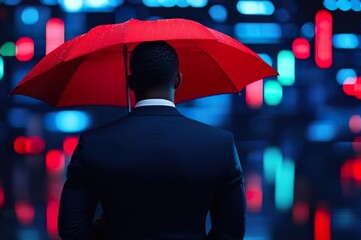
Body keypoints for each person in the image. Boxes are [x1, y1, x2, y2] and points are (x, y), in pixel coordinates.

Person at [58, 41, 246, 240]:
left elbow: (72, 230)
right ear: (178, 80)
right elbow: (231, 233)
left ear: (130, 82)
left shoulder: (93, 144)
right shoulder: (220, 144)